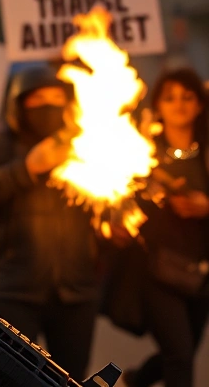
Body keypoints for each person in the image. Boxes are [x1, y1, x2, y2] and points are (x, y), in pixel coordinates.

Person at [0, 66, 100, 381]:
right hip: (17, 289)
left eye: (57, 97)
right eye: (39, 98)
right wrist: (27, 168)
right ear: (20, 104)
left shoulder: (84, 144)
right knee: (17, 376)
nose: (49, 104)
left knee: (71, 378)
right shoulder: (3, 144)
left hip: (76, 291)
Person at [124, 68, 209, 387]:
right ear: (157, 105)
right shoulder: (141, 153)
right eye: (170, 97)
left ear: (200, 104)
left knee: (182, 354)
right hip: (156, 269)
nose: (179, 104)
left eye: (188, 97)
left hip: (202, 271)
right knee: (180, 356)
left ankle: (136, 379)